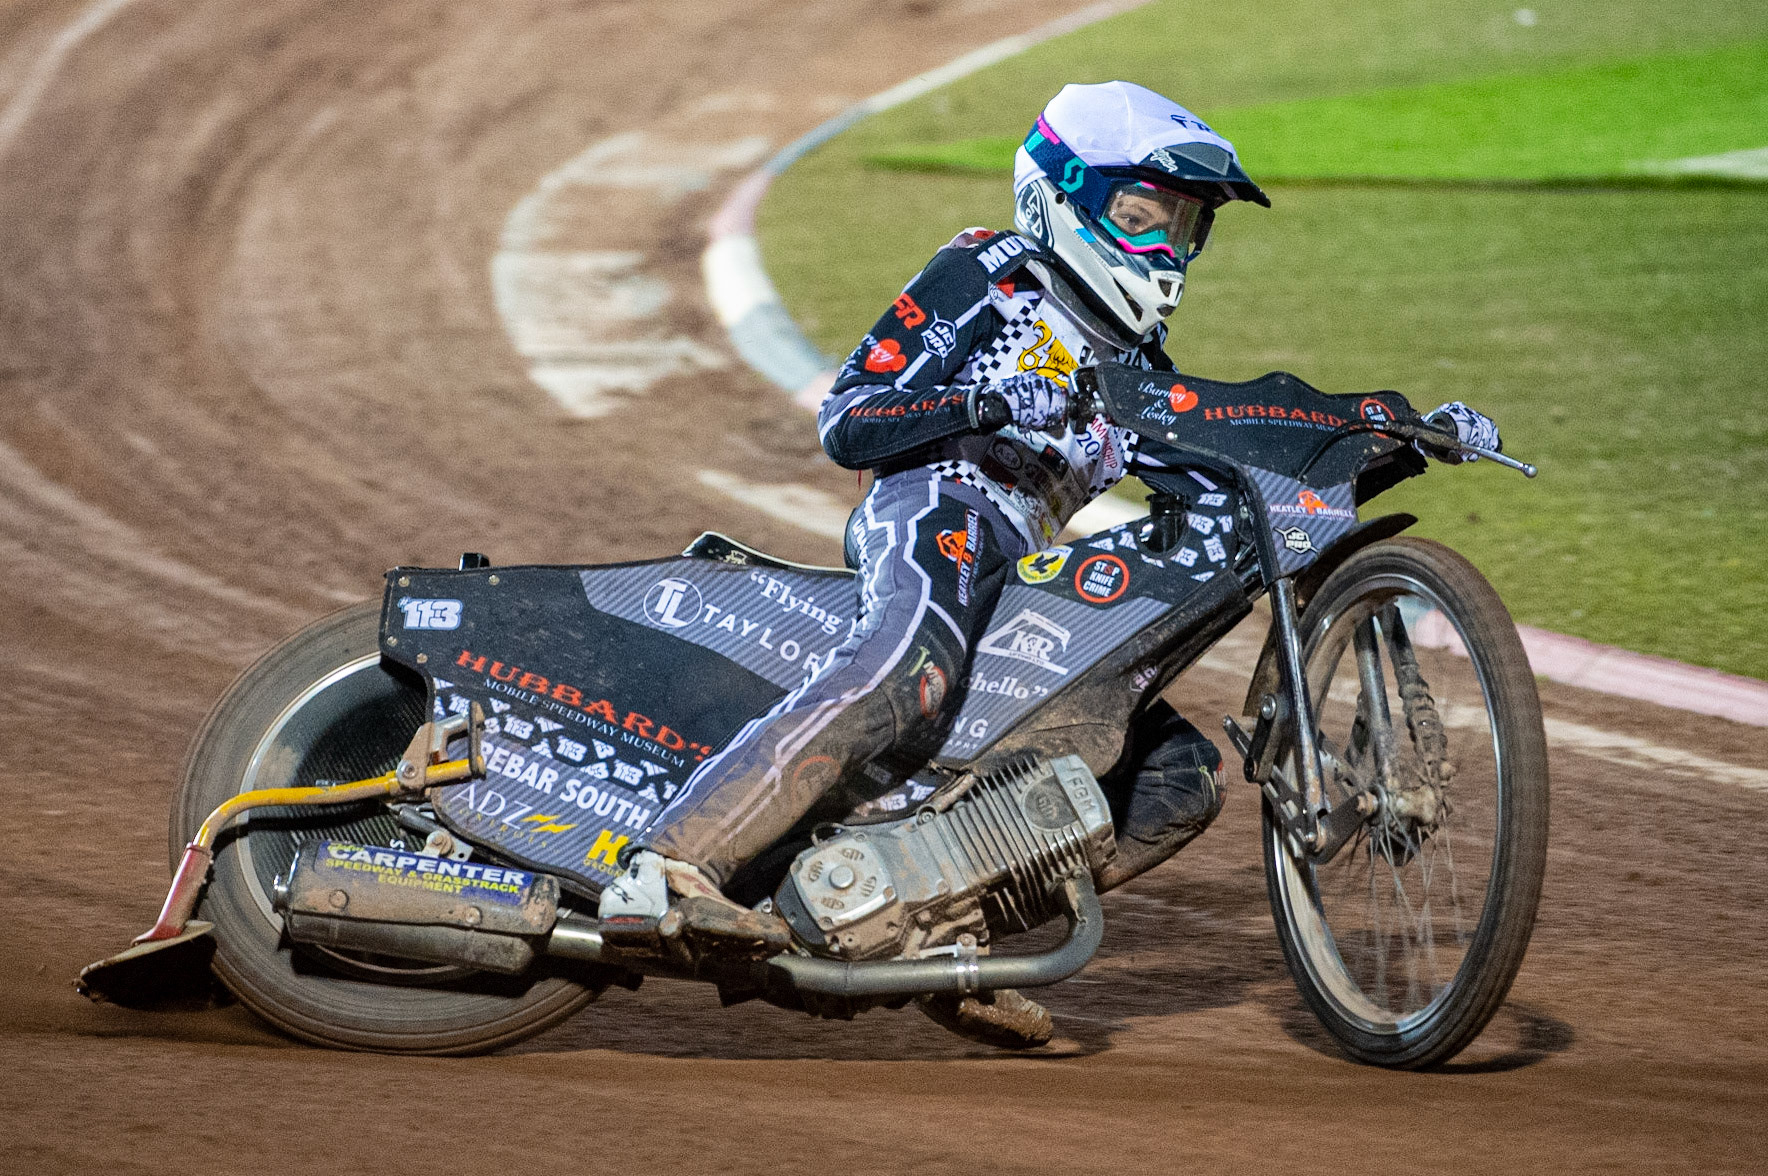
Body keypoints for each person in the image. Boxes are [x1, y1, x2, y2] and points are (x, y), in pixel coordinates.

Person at [601, 81, 1500, 1045]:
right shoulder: (986, 269)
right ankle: (667, 865)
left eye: (1184, 226)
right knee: (911, 670)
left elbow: (1218, 453)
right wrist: (989, 407)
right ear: (1061, 193)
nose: (1166, 247)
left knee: (1178, 778)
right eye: (1141, 213)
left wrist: (1373, 422)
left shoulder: (1135, 361)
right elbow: (849, 420)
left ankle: (942, 937)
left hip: (1029, 560)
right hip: (937, 505)